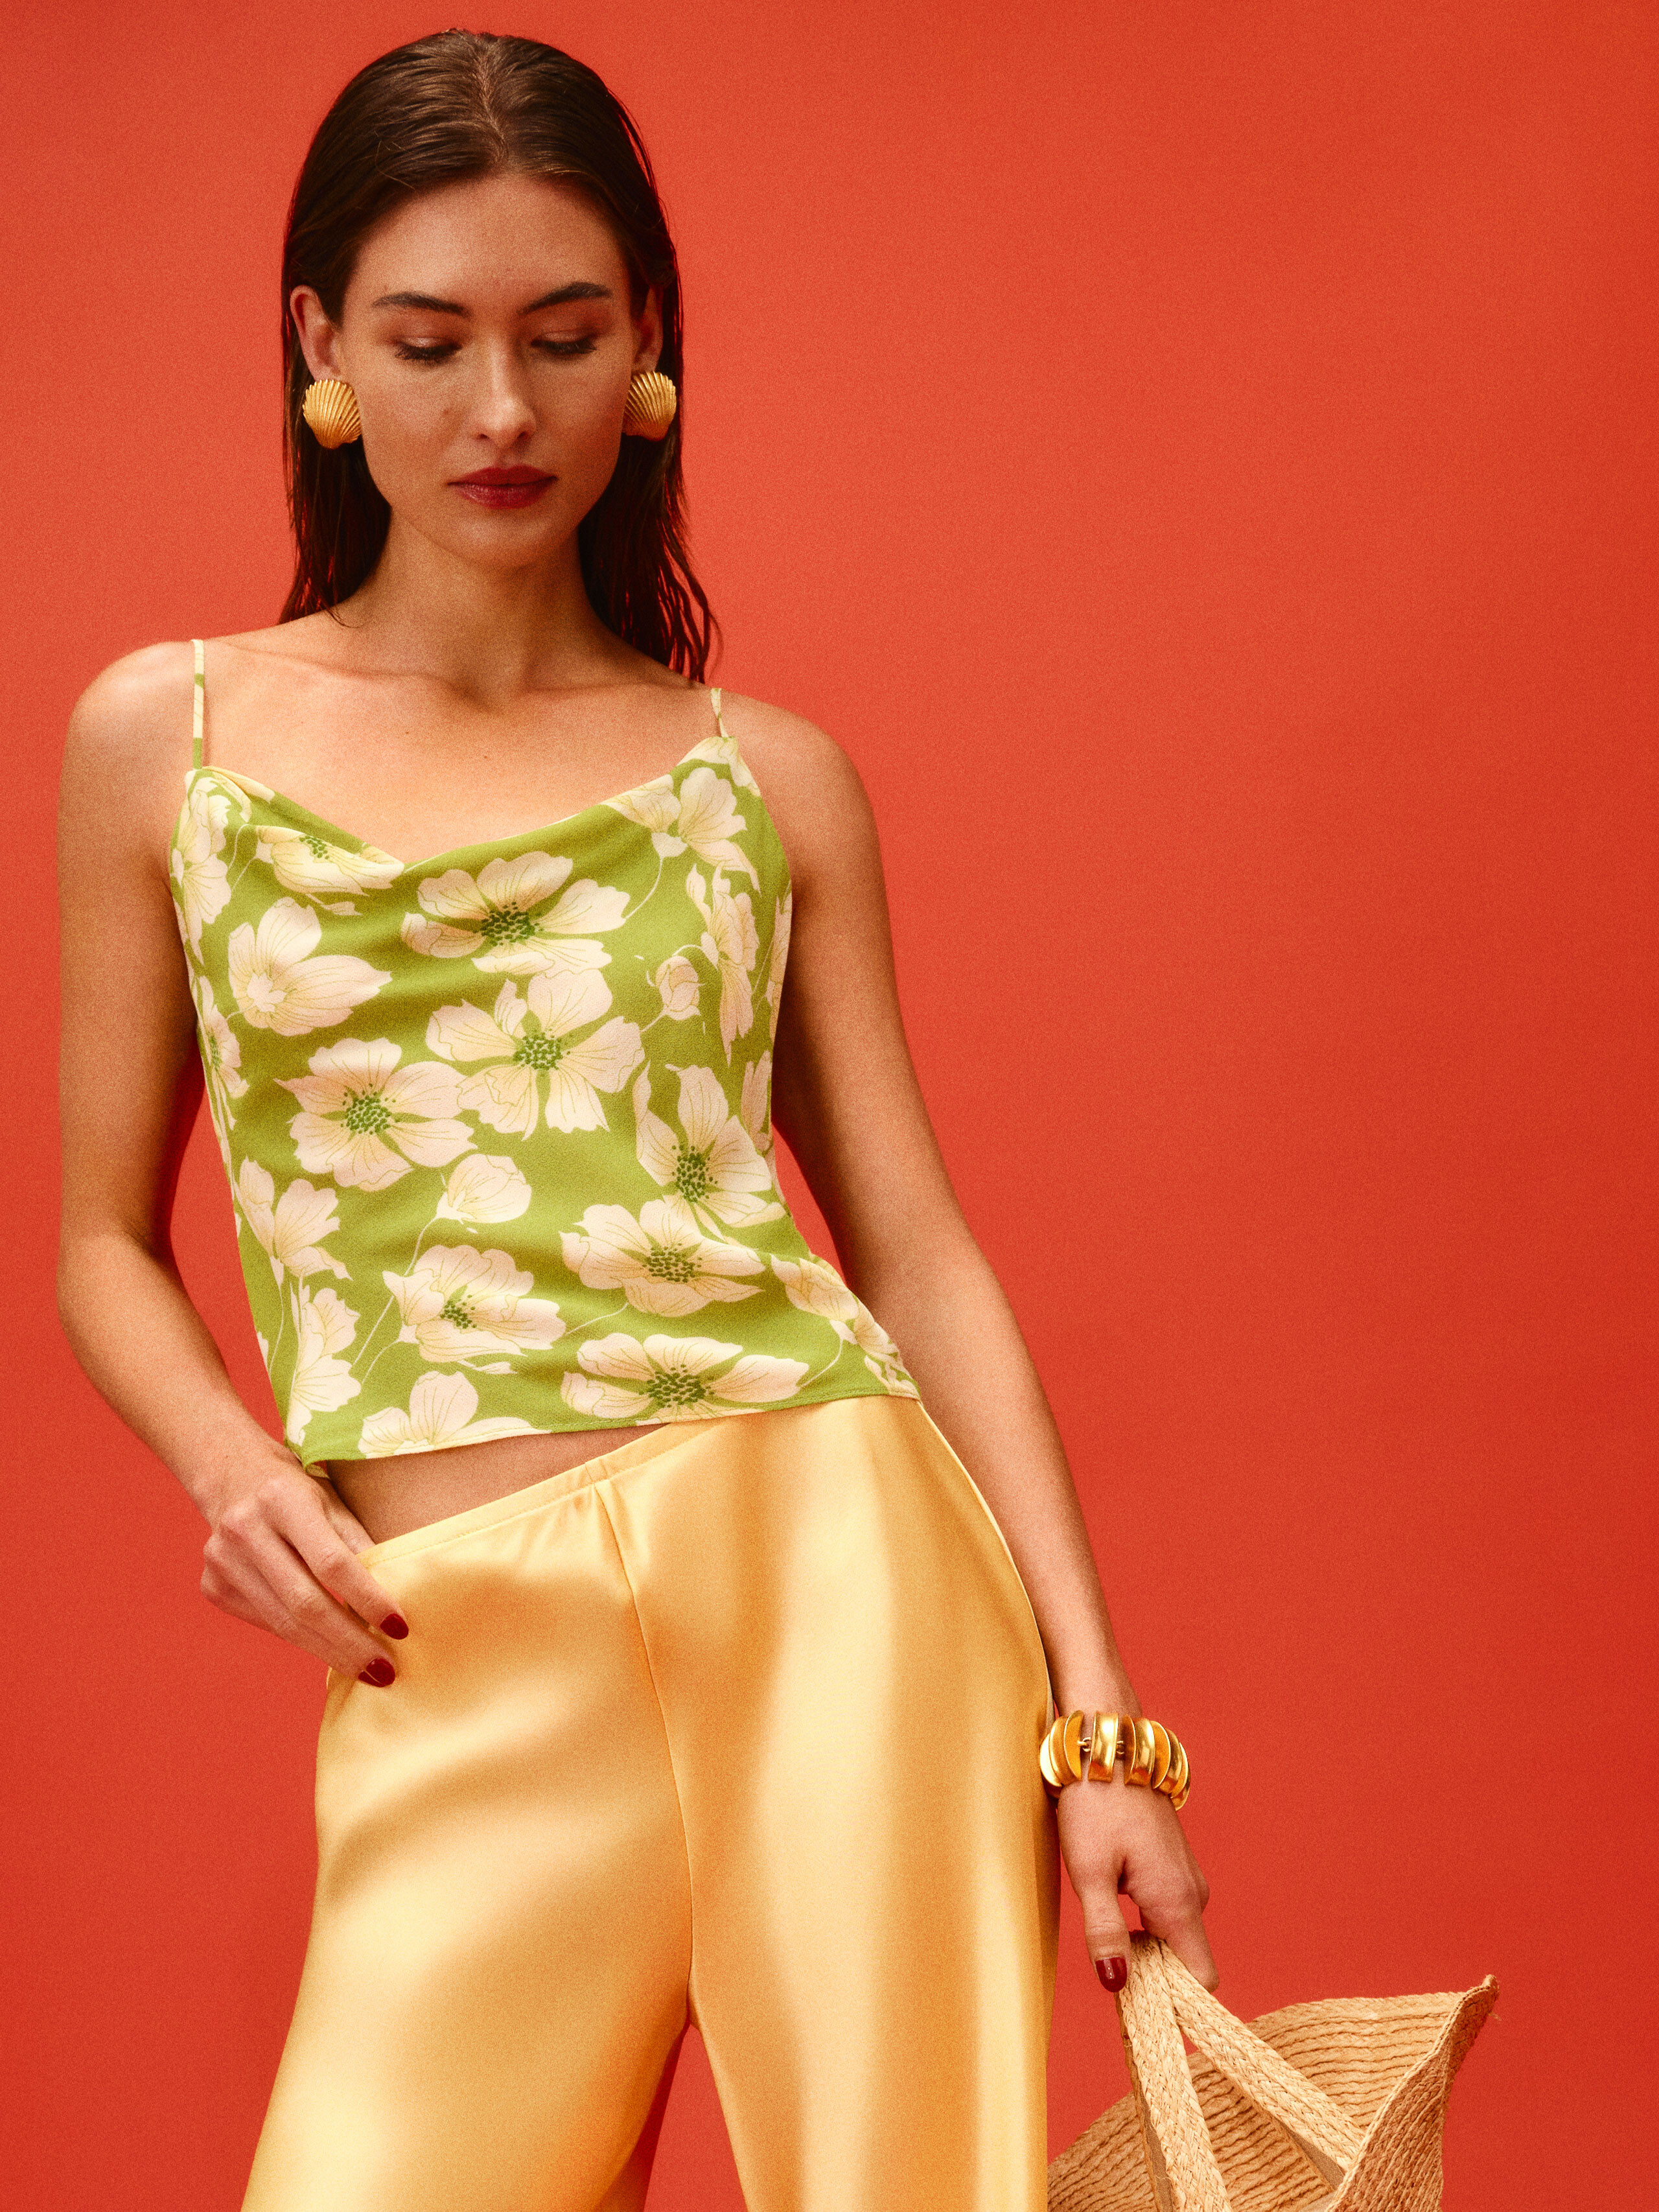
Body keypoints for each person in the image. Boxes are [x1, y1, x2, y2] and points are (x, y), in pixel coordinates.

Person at [56, 29, 1214, 2212]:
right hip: (454, 1632)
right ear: (321, 350)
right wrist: (231, 1464)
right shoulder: (164, 740)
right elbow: (96, 1239)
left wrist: (1101, 1733)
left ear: (647, 351)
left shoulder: (764, 781)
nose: (501, 410)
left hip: (831, 1571)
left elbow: (917, 1251)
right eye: (430, 342)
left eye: (564, 337)